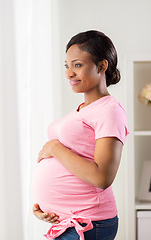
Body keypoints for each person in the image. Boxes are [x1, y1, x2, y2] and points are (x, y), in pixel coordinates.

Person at [32, 30, 129, 240]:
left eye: (77, 65)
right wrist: (50, 207)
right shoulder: (85, 109)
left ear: (102, 66)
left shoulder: (110, 110)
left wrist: (55, 148)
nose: (69, 73)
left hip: (88, 223)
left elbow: (102, 177)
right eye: (67, 66)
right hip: (68, 221)